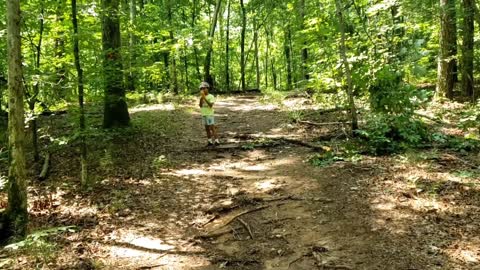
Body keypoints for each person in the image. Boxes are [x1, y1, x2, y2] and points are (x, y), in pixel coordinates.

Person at [199, 82, 219, 146]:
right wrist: (202, 98)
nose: (203, 90)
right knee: (207, 128)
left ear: (207, 88)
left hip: (209, 114)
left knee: (212, 128)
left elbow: (210, 105)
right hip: (204, 114)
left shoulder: (211, 96)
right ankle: (209, 141)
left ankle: (216, 140)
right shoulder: (201, 97)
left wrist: (204, 97)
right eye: (201, 89)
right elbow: (200, 105)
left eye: (204, 88)